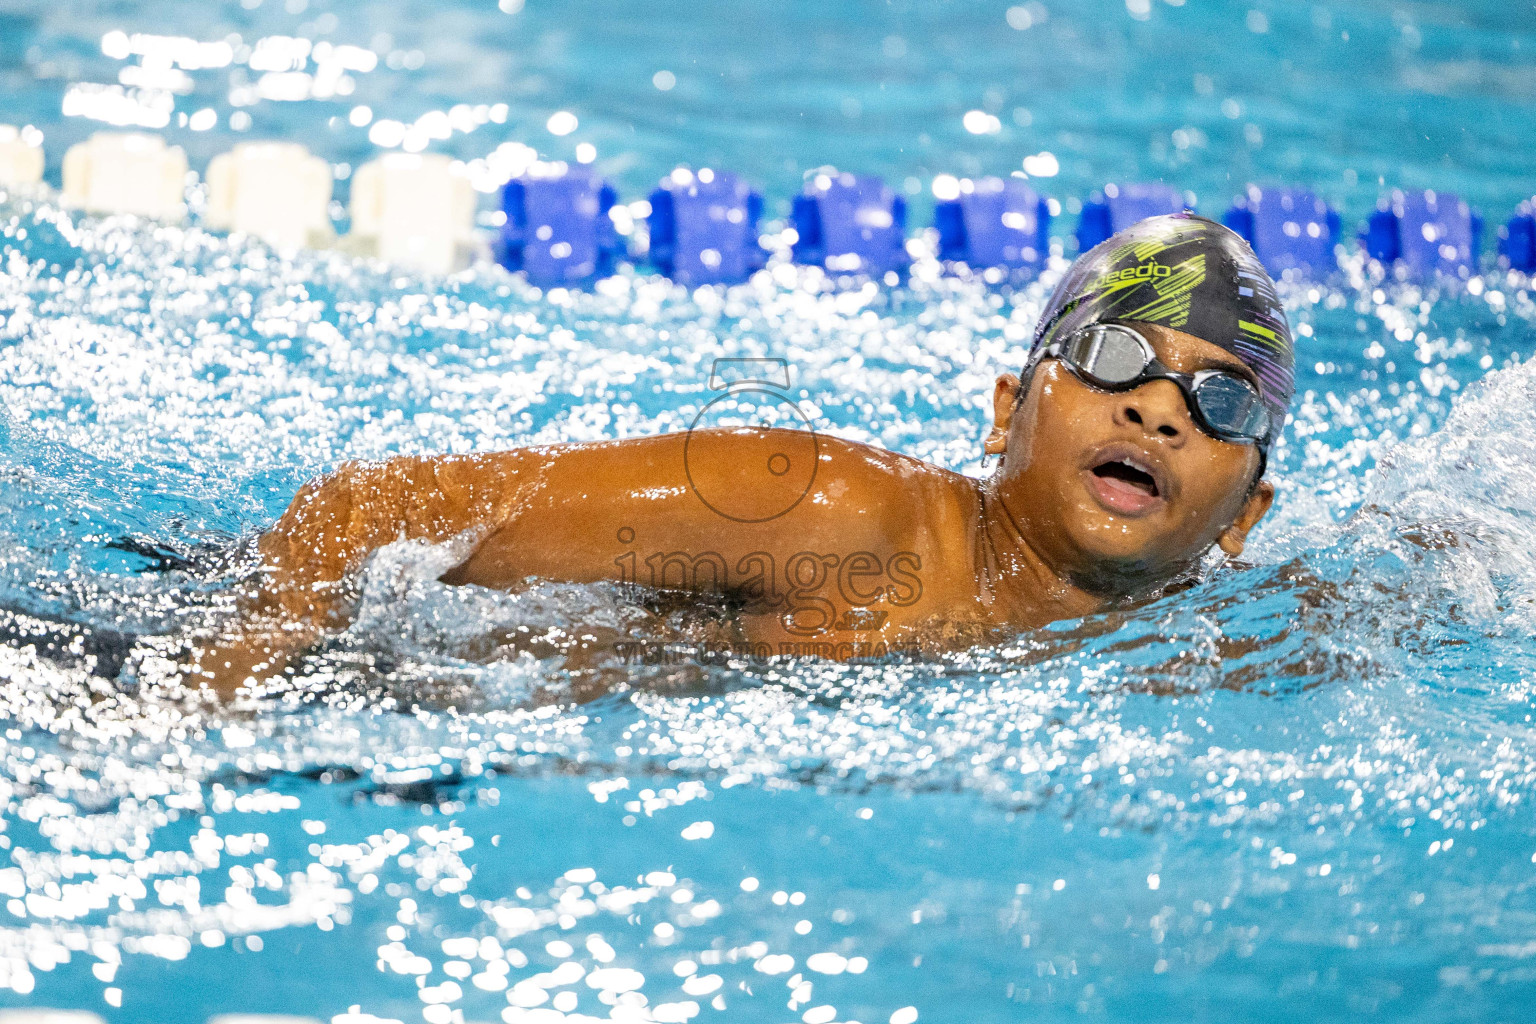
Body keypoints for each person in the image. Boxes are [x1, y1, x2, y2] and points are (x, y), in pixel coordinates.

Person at [188, 213, 1295, 692]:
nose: (1158, 411)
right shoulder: (836, 510)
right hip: (328, 670)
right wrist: (206, 711)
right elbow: (375, 507)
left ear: (1245, 514)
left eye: (1220, 404)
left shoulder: (1199, 644)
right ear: (1008, 410)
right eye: (1110, 356)